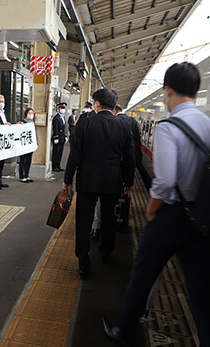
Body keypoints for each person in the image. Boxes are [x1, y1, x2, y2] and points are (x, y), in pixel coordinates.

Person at [103, 62, 210, 347]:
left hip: (170, 215)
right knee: (201, 291)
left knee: (142, 276)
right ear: (196, 92)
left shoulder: (168, 128)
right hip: (203, 217)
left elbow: (167, 179)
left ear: (168, 91)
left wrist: (152, 207)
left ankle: (124, 333)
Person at [63, 89, 135, 281]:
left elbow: (75, 154)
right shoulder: (123, 125)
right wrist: (129, 181)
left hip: (87, 180)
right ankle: (106, 251)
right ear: (113, 105)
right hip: (112, 181)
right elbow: (129, 157)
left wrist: (67, 179)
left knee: (84, 220)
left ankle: (83, 259)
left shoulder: (85, 122)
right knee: (108, 216)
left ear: (96, 103)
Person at [18, 107, 35, 183]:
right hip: (23, 145)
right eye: (29, 113)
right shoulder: (22, 122)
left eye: (32, 113)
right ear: (26, 114)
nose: (30, 115)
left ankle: (27, 175)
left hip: (30, 145)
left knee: (28, 160)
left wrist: (36, 143)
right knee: (23, 160)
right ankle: (22, 176)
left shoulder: (32, 123)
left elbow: (34, 134)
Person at [51, 102, 67, 172]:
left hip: (62, 138)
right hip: (57, 137)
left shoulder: (63, 117)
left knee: (60, 152)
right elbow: (55, 128)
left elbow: (64, 128)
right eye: (61, 108)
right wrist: (56, 137)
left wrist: (65, 136)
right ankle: (54, 166)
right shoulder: (56, 118)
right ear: (58, 109)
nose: (63, 110)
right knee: (56, 152)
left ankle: (58, 165)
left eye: (63, 108)